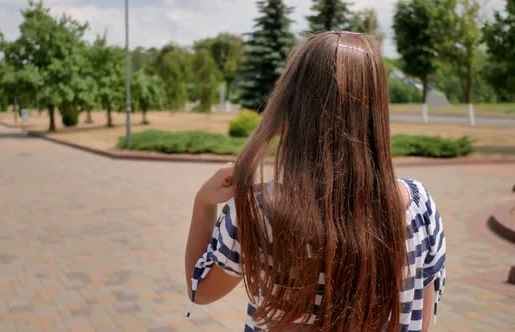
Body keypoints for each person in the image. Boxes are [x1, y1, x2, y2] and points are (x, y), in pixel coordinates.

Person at [184, 31, 446, 331]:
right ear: (376, 109)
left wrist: (203, 204)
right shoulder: (420, 207)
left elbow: (200, 291)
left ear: (292, 104)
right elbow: (422, 321)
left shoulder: (257, 212)